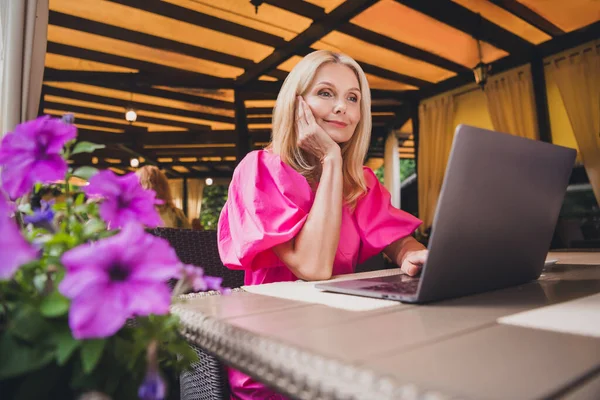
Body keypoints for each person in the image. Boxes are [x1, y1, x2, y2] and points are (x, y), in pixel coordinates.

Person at [217, 50, 428, 399]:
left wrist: (411, 255)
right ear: (296, 104)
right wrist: (330, 159)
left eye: (353, 98)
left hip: (345, 336)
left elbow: (399, 240)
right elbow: (313, 267)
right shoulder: (259, 170)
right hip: (276, 357)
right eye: (326, 93)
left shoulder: (360, 182)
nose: (342, 107)